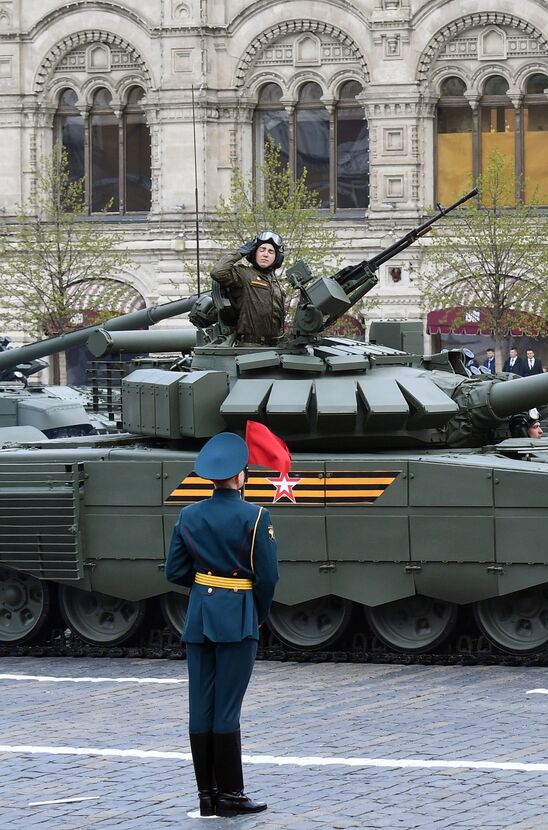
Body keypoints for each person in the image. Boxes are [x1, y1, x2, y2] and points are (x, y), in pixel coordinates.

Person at [165, 432, 278, 818]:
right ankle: (231, 795)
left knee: (201, 707)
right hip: (238, 617)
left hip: (199, 619)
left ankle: (206, 796)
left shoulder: (188, 515)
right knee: (227, 709)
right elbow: (267, 579)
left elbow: (175, 571)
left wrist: (207, 588)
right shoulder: (256, 516)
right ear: (240, 476)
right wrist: (254, 612)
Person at [210, 231, 288, 346]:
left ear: (277, 258)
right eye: (262, 250)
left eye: (271, 252)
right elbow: (218, 272)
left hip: (274, 348)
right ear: (254, 253)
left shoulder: (277, 285)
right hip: (249, 347)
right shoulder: (244, 274)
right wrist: (239, 253)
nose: (265, 254)